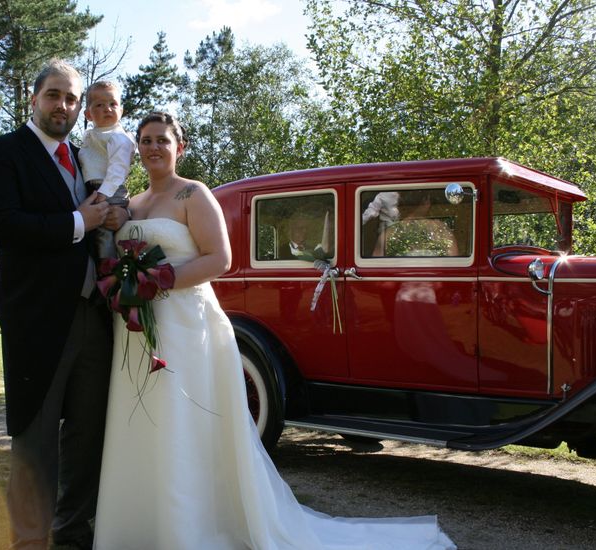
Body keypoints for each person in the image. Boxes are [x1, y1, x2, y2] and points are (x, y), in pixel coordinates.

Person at [93, 112, 456, 549]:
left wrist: (158, 281)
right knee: (144, 418)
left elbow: (219, 260)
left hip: (186, 323)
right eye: (146, 140)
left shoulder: (194, 194)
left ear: (179, 148)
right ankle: (146, 525)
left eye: (162, 141)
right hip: (138, 327)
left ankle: (190, 528)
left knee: (183, 420)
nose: (154, 148)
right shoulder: (131, 204)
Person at [0, 58, 127, 550]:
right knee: (35, 444)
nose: (63, 104)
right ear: (34, 99)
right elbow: (2, 225)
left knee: (88, 440)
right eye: (54, 94)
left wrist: (111, 220)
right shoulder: (3, 153)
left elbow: (99, 214)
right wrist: (79, 222)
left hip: (94, 317)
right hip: (38, 321)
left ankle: (72, 536)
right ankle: (28, 541)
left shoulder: (81, 158)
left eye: (71, 98)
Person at [77, 80, 135, 259]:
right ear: (88, 114)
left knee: (104, 231)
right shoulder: (92, 136)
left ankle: (109, 268)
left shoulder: (118, 138)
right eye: (100, 105)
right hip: (94, 189)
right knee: (94, 231)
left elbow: (119, 170)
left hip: (110, 189)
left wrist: (103, 194)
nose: (107, 109)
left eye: (112, 104)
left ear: (121, 110)